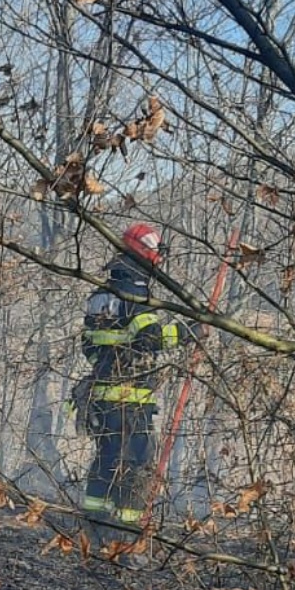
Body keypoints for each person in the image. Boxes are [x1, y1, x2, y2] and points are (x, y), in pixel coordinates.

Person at [79, 224, 178, 527]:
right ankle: (127, 529)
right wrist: (186, 332)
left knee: (106, 461)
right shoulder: (135, 292)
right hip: (131, 400)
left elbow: (89, 345)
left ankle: (95, 522)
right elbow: (152, 338)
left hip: (102, 395)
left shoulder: (100, 294)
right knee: (137, 465)